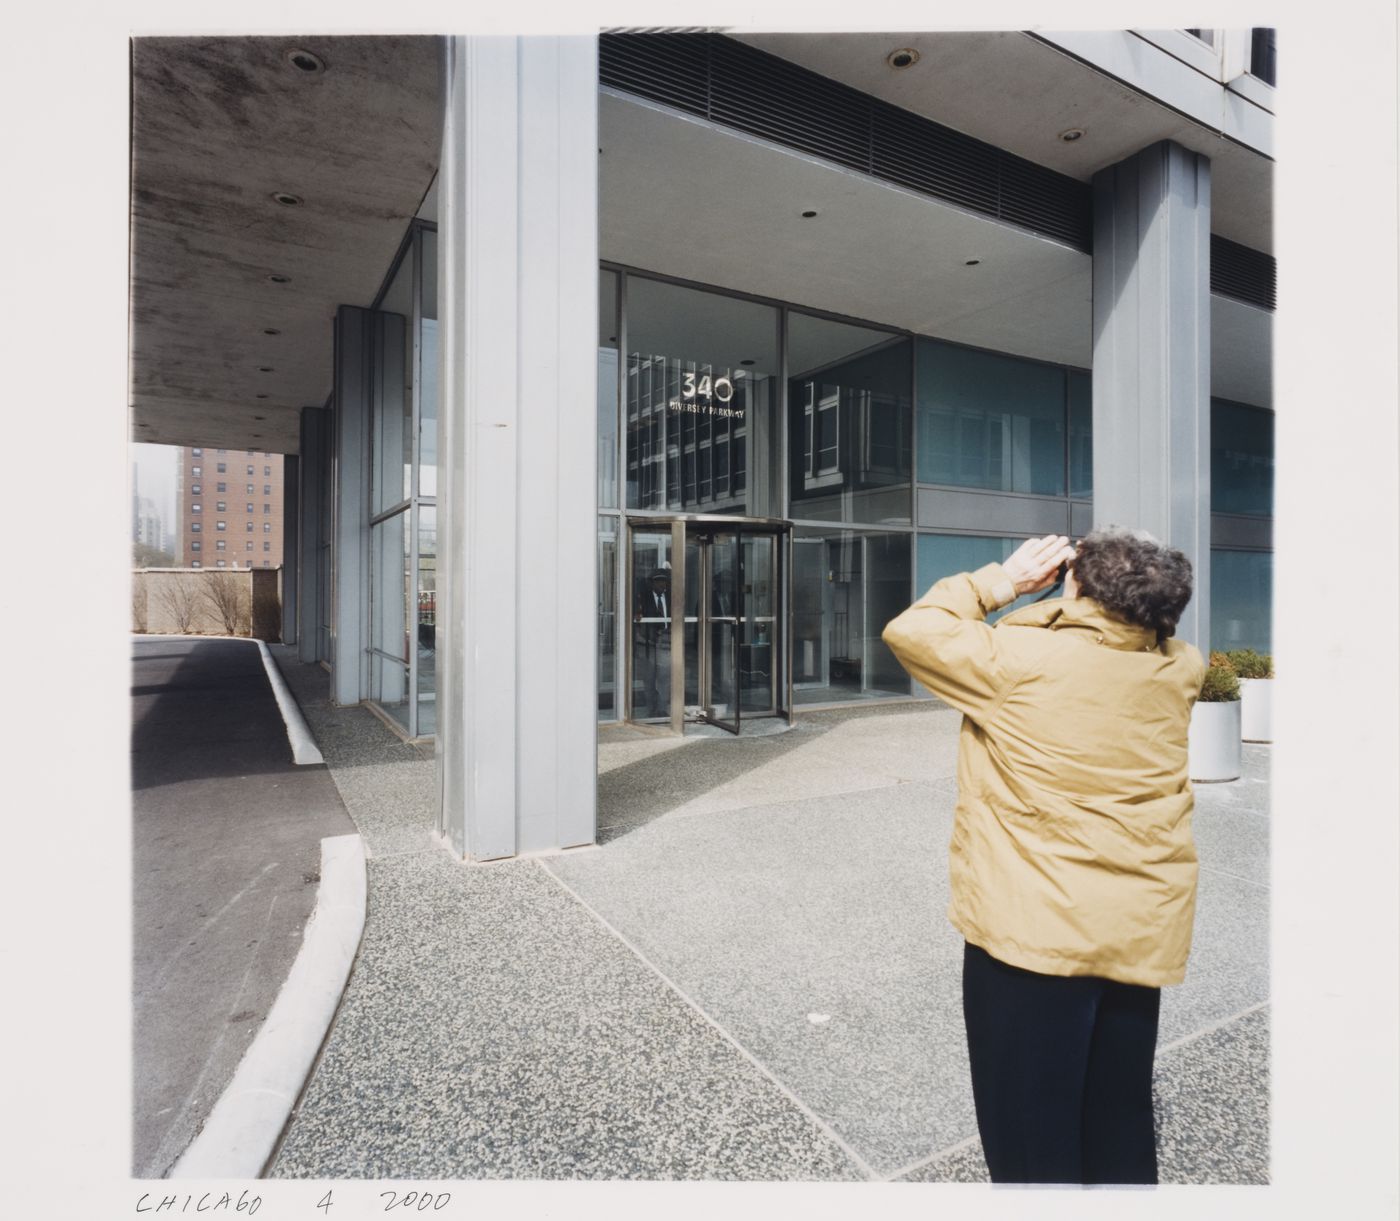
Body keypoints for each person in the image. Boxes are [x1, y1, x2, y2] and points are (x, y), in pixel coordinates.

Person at [881, 528, 1203, 1186]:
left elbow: (913, 629)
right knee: (1117, 1127)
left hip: (1035, 938)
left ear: (1076, 586)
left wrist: (1005, 581)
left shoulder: (1020, 659)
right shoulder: (1180, 666)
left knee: (1033, 1141)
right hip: (1134, 932)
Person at [634, 567, 672, 718]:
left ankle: (662, 709)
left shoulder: (671, 598)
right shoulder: (642, 598)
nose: (662, 585)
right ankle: (651, 709)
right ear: (652, 584)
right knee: (649, 678)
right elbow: (637, 617)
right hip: (647, 644)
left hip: (665, 642)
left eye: (664, 581)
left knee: (664, 677)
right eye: (658, 582)